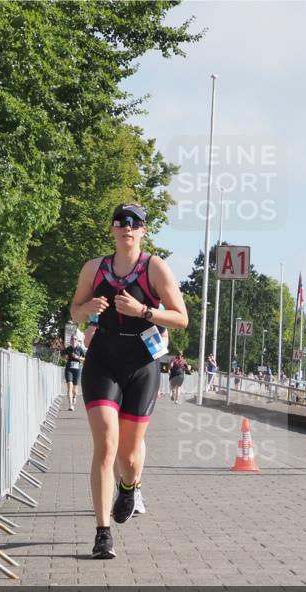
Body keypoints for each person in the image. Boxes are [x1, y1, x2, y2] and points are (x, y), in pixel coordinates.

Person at [69, 203, 187, 559]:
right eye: (121, 222)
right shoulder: (94, 268)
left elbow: (181, 318)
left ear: (143, 231)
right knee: (105, 446)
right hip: (102, 361)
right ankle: (102, 532)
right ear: (112, 229)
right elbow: (74, 309)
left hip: (141, 366)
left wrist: (144, 312)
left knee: (130, 455)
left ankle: (129, 487)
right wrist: (85, 311)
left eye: (134, 223)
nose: (127, 228)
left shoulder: (155, 268)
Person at [62, 334, 86, 410]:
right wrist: (64, 357)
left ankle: (74, 396)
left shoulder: (80, 349)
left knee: (75, 390)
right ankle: (71, 405)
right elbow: (63, 357)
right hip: (69, 369)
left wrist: (78, 357)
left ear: (77, 340)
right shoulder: (68, 349)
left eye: (75, 339)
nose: (73, 340)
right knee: (69, 387)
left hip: (77, 370)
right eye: (72, 339)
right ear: (70, 340)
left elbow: (85, 359)